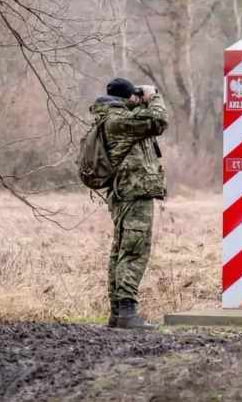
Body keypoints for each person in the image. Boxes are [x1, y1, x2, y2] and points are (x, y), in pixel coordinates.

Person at [89, 77, 168, 329]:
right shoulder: (119, 121)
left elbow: (143, 120)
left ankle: (118, 313)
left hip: (126, 192)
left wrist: (138, 99)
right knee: (133, 251)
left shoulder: (112, 118)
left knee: (121, 250)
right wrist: (153, 96)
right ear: (127, 99)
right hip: (133, 193)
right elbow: (157, 121)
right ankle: (127, 312)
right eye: (133, 95)